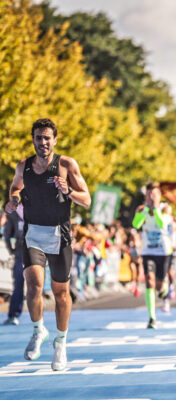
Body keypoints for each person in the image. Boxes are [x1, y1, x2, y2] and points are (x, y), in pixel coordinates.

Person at [4, 118, 91, 371]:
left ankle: (61, 343)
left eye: (46, 138)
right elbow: (15, 188)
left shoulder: (66, 164)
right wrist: (12, 200)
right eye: (38, 138)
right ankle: (38, 329)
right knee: (33, 287)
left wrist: (69, 191)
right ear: (33, 139)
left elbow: (87, 199)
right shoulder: (24, 166)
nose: (42, 142)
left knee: (61, 293)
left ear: (55, 139)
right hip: (33, 234)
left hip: (59, 234)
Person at [132, 183, 173, 329]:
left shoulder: (165, 208)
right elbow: (136, 225)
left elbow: (162, 224)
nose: (151, 197)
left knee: (159, 286)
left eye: (154, 194)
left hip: (163, 251)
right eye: (149, 194)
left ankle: (164, 289)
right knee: (149, 281)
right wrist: (145, 212)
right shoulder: (141, 209)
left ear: (159, 196)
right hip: (148, 251)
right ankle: (152, 318)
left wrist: (155, 210)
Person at [3, 204, 25, 325]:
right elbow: (7, 234)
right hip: (21, 251)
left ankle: (38, 317)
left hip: (37, 250)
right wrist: (12, 250)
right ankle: (13, 314)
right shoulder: (13, 214)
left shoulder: (37, 207)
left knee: (38, 285)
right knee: (19, 283)